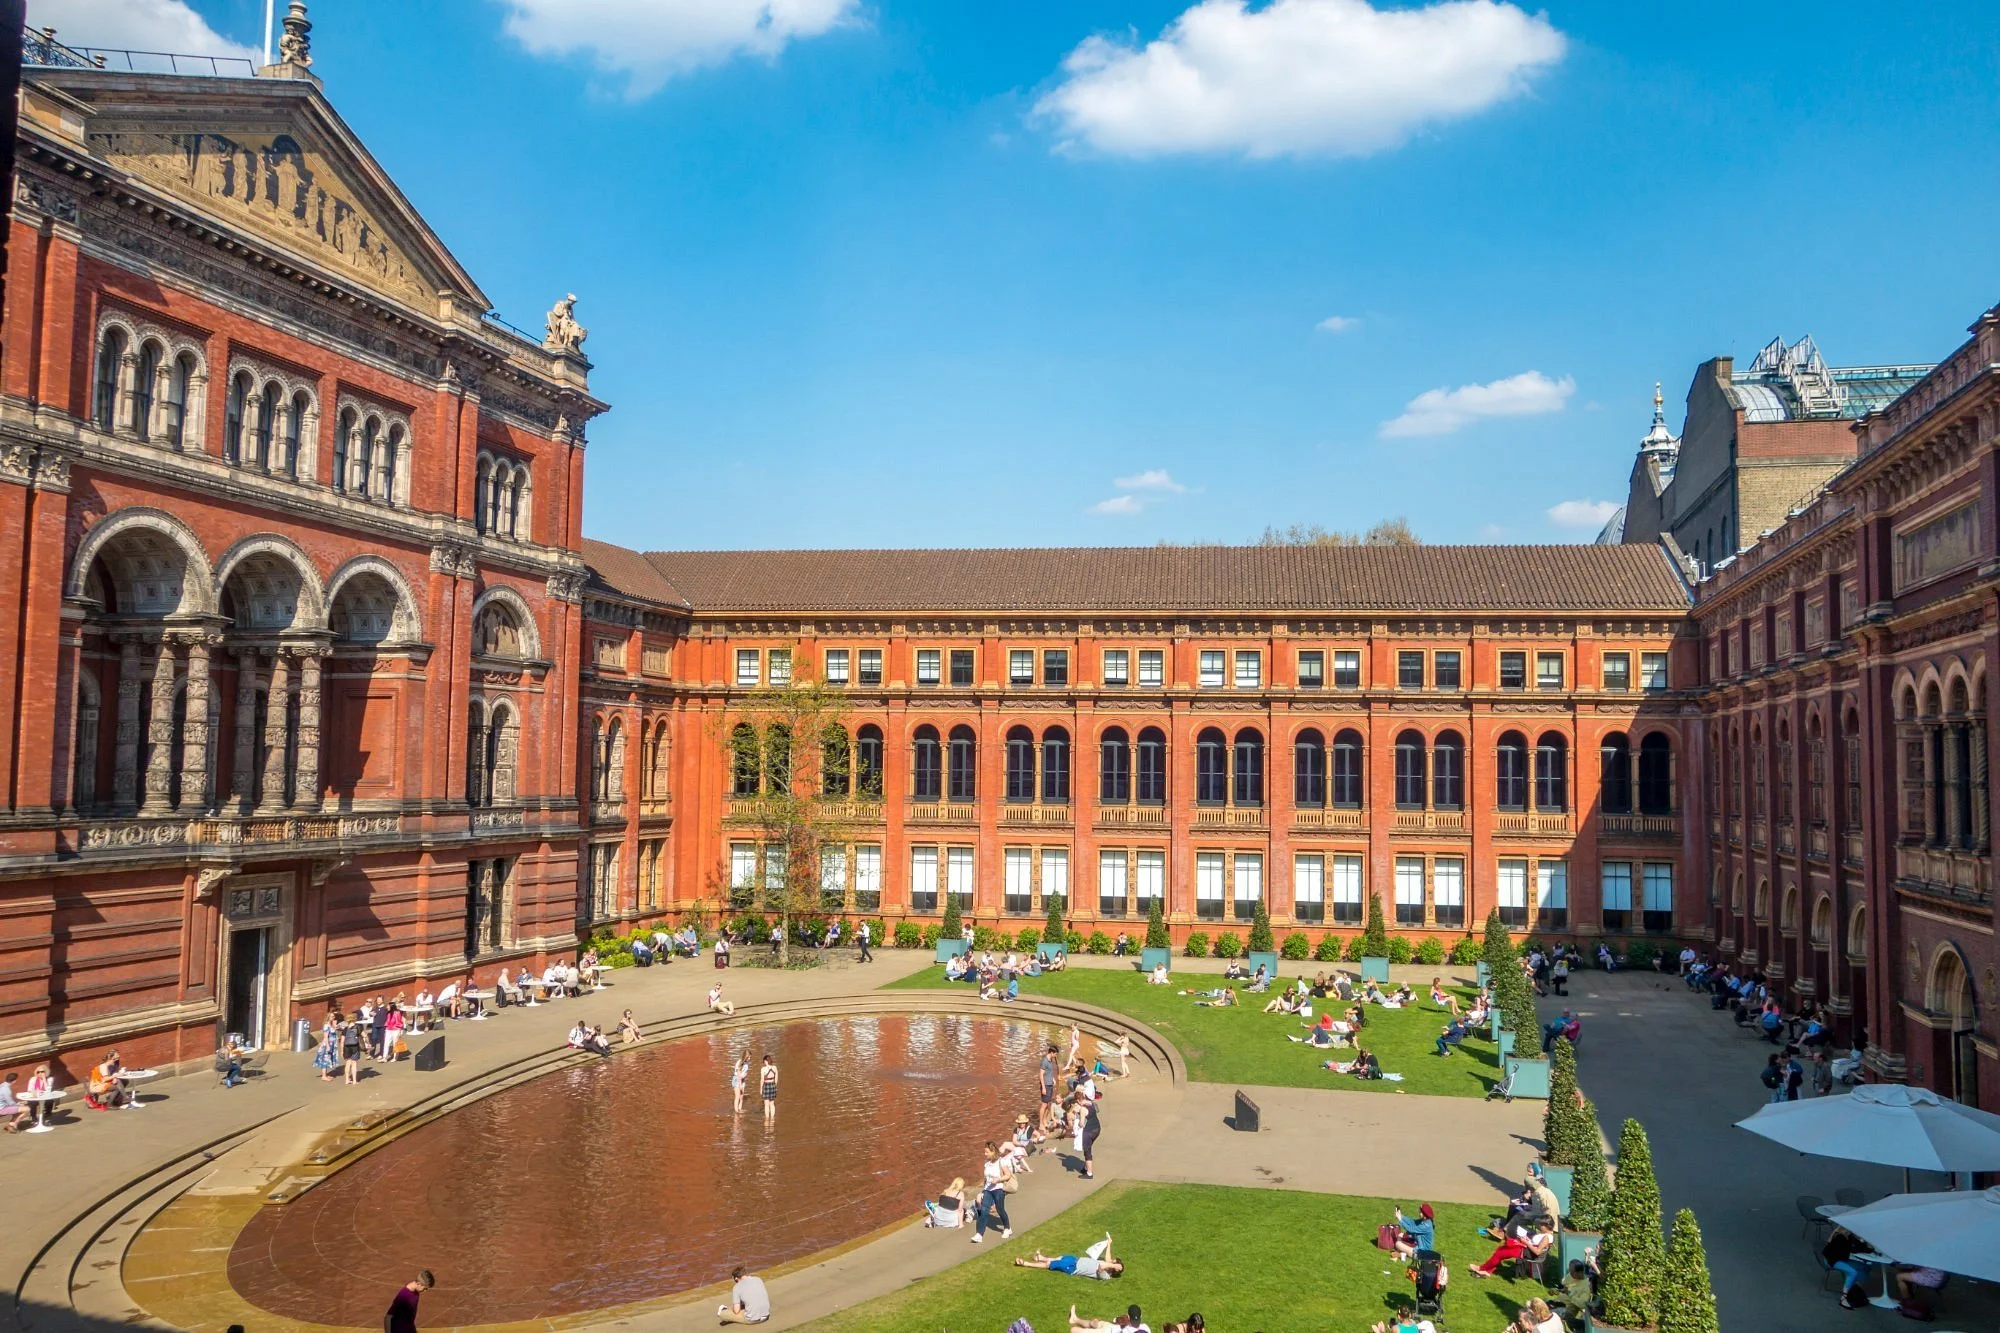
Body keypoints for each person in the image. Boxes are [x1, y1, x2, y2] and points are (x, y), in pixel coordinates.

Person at [1013, 1233, 1123, 1278]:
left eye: (1115, 1263)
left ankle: (1025, 1263)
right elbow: (1108, 1258)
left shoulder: (1106, 1276)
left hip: (1073, 1268)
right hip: (1076, 1260)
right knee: (1060, 1258)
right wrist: (1109, 1244)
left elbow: (1100, 1269)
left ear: (1115, 1269)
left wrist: (1113, 1266)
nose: (1112, 1261)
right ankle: (1040, 1258)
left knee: (1049, 1264)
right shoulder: (1108, 1264)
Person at [1470, 1222, 1554, 1277]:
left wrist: (1526, 1242)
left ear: (1546, 1226)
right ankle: (1486, 1269)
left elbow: (1537, 1252)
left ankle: (1483, 1269)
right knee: (1500, 1250)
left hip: (1524, 1251)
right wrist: (1528, 1240)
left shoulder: (1546, 1237)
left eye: (1540, 1225)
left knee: (1500, 1253)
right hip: (1524, 1248)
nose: (1538, 1226)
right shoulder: (1546, 1234)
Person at [971, 1141, 1014, 1243]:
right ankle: (979, 1234)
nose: (985, 1154)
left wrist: (998, 1180)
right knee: (984, 1210)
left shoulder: (1001, 1161)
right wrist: (983, 1190)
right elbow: (986, 1178)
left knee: (1000, 1209)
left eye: (987, 1152)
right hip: (988, 1190)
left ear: (992, 1152)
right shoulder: (986, 1163)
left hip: (998, 1189)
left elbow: (1008, 1175)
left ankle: (1007, 1228)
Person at [1823, 1226, 1873, 1308]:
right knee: (1853, 1272)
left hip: (1841, 1259)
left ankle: (1855, 1288)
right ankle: (1844, 1297)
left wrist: (1867, 1247)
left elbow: (1857, 1247)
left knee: (1865, 1267)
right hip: (1832, 1260)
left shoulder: (1849, 1237)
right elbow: (1851, 1249)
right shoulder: (1839, 1237)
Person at [759, 1053, 778, 1122]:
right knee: (772, 1104)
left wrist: (761, 1089)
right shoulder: (775, 1067)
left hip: (766, 1086)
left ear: (766, 1061)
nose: (764, 1063)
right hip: (773, 1085)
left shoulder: (763, 1069)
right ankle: (772, 1119)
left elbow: (762, 1080)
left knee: (766, 1105)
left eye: (764, 1062)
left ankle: (767, 1119)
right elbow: (776, 1078)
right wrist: (775, 1086)